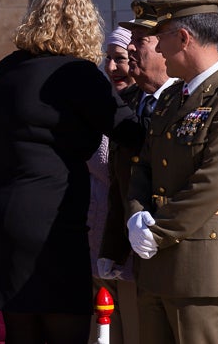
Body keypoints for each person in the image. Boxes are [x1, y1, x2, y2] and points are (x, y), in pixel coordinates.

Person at [0, 0, 143, 344]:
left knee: (20, 332)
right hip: (51, 220)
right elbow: (130, 132)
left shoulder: (7, 68)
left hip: (0, 215)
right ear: (84, 25)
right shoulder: (78, 74)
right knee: (64, 328)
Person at [126, 0, 218, 344]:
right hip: (155, 265)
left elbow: (212, 184)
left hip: (203, 267)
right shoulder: (172, 99)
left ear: (184, 38)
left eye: (163, 36)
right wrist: (136, 214)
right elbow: (143, 164)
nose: (159, 48)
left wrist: (156, 233)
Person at [86, 25, 140, 344]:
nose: (110, 68)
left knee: (135, 332)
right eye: (107, 59)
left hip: (132, 252)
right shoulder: (99, 106)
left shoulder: (147, 109)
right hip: (95, 248)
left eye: (119, 59)